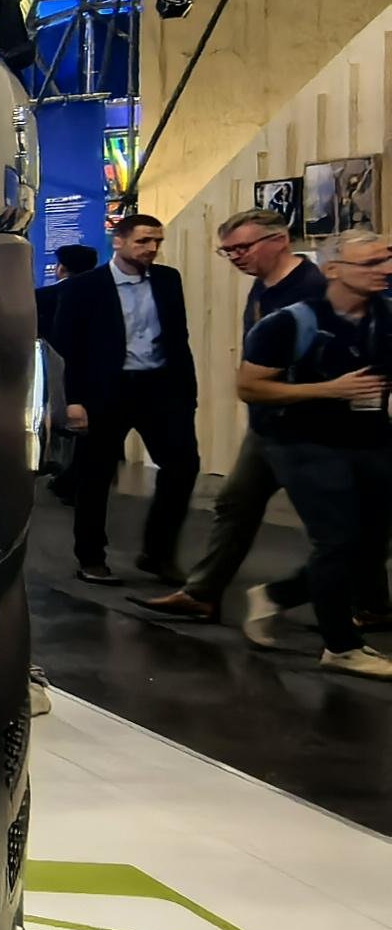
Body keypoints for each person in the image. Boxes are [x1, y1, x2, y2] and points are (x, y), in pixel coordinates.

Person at [142, 207, 326, 633]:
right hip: (267, 426)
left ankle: (362, 606)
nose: (236, 257)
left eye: (243, 248)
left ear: (279, 240)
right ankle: (202, 594)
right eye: (228, 251)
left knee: (335, 527)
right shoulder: (263, 285)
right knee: (235, 503)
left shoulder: (313, 291)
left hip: (306, 428)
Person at [237, 226, 392, 679]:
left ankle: (278, 596)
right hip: (301, 441)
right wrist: (329, 389)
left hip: (370, 438)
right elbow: (250, 387)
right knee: (338, 540)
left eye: (387, 260)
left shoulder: (385, 317)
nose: (385, 270)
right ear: (334, 270)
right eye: (372, 263)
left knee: (370, 546)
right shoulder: (289, 323)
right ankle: (340, 646)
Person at [39, 207, 197, 586]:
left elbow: (178, 337)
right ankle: (91, 556)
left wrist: (186, 393)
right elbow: (66, 348)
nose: (151, 248)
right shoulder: (83, 288)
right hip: (105, 392)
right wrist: (73, 400)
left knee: (183, 466)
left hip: (160, 389)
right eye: (143, 241)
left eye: (157, 241)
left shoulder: (167, 280)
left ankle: (158, 553)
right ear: (119, 241)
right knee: (95, 477)